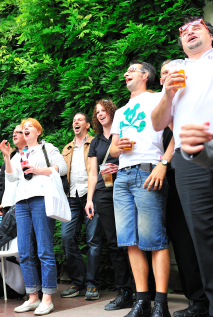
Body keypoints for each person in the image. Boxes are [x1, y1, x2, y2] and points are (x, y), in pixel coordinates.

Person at [151, 0, 213, 316]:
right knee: (206, 240)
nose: (189, 31)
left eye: (196, 26)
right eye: (183, 31)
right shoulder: (174, 70)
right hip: (189, 159)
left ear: (210, 34)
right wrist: (167, 93)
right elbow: (159, 124)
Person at [110, 61, 174, 317]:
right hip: (122, 177)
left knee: (154, 240)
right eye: (126, 71)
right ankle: (141, 302)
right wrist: (119, 147)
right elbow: (113, 149)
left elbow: (177, 132)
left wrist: (163, 164)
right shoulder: (120, 111)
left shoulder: (159, 97)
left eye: (132, 70)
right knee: (130, 241)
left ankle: (161, 304)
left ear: (146, 75)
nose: (126, 73)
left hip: (148, 172)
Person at [0, 118, 67, 316]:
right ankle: (32, 297)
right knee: (25, 251)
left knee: (44, 249)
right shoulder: (19, 154)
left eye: (29, 127)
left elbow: (61, 168)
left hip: (41, 200)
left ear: (38, 132)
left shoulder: (47, 148)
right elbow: (11, 178)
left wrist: (39, 170)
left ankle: (47, 298)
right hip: (21, 202)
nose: (25, 129)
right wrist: (6, 156)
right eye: (24, 127)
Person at [157, 61, 209, 317]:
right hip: (163, 181)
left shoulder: (190, 94)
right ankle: (196, 299)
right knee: (180, 240)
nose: (168, 75)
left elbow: (179, 132)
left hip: (184, 170)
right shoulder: (157, 103)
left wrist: (164, 162)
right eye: (163, 73)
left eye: (172, 71)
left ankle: (208, 299)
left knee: (200, 236)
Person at [85, 100, 134, 311]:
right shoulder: (95, 142)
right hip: (103, 194)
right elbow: (93, 173)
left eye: (103, 110)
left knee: (132, 240)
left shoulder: (123, 133)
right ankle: (123, 290)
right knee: (113, 243)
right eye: (97, 112)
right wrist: (89, 199)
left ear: (112, 112)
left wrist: (119, 165)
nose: (100, 114)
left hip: (126, 189)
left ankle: (141, 289)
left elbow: (134, 157)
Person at [60, 112, 103, 301]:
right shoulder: (67, 148)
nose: (75, 122)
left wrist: (91, 198)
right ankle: (78, 282)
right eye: (73, 120)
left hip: (90, 196)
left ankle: (92, 285)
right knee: (67, 238)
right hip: (71, 198)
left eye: (79, 120)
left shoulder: (95, 143)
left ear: (87, 125)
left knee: (93, 241)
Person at [0, 124, 27, 219]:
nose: (14, 135)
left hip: (26, 204)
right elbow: (0, 184)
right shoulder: (10, 158)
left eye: (18, 132)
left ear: (27, 134)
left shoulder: (33, 154)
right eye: (13, 133)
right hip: (7, 205)